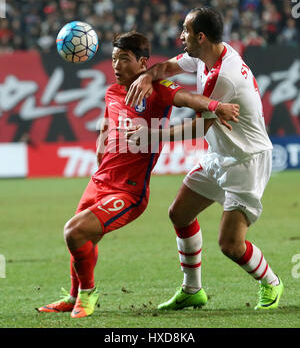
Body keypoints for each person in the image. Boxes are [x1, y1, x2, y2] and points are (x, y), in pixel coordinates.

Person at [37, 31, 239, 318]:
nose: (116, 66)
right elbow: (108, 123)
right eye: (113, 59)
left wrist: (215, 106)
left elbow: (188, 98)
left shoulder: (157, 89)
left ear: (143, 62)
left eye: (124, 59)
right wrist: (101, 143)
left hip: (128, 191)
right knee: (81, 239)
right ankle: (72, 296)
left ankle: (87, 294)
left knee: (75, 231)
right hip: (100, 181)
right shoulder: (111, 92)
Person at [125, 7, 284, 311]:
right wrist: (147, 76)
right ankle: (192, 289)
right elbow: (169, 67)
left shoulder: (222, 78)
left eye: (185, 30)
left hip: (245, 161)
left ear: (201, 36)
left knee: (230, 245)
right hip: (219, 154)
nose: (179, 36)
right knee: (179, 214)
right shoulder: (207, 56)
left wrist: (150, 135)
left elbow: (199, 126)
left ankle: (271, 282)